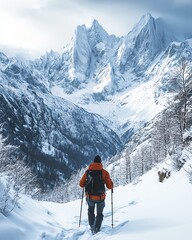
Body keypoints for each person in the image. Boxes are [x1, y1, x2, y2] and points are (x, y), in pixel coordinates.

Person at [79, 155, 113, 233]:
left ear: (93, 162)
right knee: (99, 213)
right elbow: (109, 186)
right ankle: (97, 228)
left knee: (90, 211)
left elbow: (81, 184)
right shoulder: (104, 172)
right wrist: (111, 183)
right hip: (100, 198)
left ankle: (92, 226)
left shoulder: (87, 172)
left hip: (90, 197)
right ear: (100, 163)